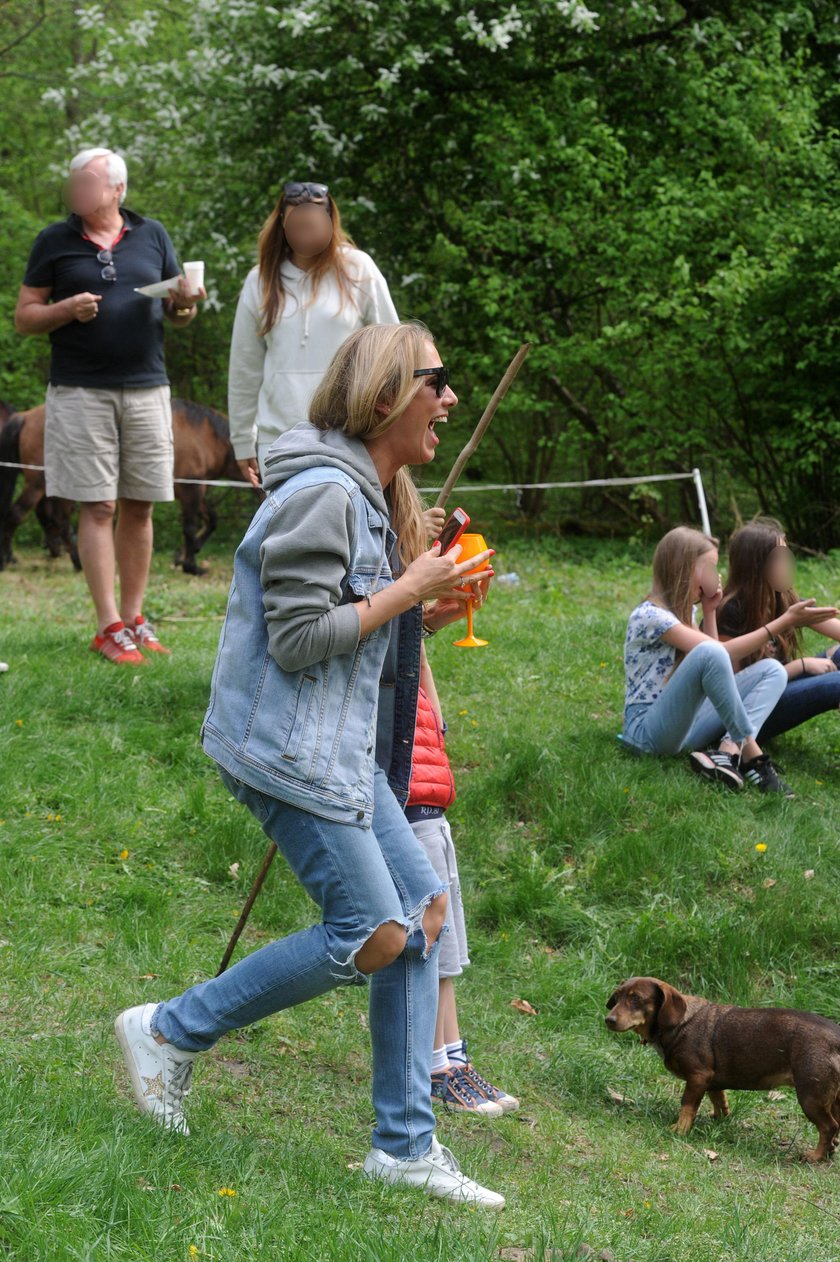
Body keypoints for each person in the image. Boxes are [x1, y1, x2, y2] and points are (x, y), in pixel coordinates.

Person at [114, 322, 505, 1209]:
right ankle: (170, 1031)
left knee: (423, 910)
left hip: (335, 745)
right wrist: (405, 590)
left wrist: (420, 603)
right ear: (384, 397)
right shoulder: (325, 494)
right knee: (372, 933)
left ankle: (404, 1148)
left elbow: (350, 627)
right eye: (434, 382)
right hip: (287, 748)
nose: (448, 399)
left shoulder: (365, 495)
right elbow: (295, 643)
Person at [14, 147, 206, 665]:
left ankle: (135, 617)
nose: (75, 190)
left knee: (141, 502)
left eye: (86, 181)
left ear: (117, 190)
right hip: (79, 391)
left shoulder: (152, 235)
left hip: (147, 388)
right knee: (98, 504)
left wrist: (185, 302)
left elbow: (178, 314)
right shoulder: (54, 240)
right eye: (74, 181)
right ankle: (107, 626)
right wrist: (64, 309)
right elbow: (25, 317)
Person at [621, 526, 836, 795]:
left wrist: (709, 612)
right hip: (647, 733)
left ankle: (728, 752)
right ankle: (751, 755)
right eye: (709, 567)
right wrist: (784, 625)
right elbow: (716, 653)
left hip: (685, 728)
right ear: (685, 568)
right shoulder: (651, 616)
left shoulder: (687, 612)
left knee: (772, 670)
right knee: (712, 653)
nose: (716, 576)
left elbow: (716, 665)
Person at [228, 180, 398, 486]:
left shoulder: (358, 269)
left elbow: (394, 350)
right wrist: (242, 440)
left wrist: (393, 424)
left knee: (351, 528)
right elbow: (244, 369)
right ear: (282, 223)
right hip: (279, 439)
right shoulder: (260, 280)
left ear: (330, 221)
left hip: (350, 434)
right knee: (290, 530)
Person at [409, 647, 519, 1117]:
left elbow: (422, 666)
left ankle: (453, 1056)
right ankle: (436, 1065)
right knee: (429, 939)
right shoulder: (378, 591)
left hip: (430, 794)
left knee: (445, 942)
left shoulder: (406, 607)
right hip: (407, 796)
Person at [717, 517, 840, 742]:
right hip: (752, 710)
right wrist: (800, 665)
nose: (786, 565)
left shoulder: (781, 597)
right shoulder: (730, 610)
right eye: (779, 558)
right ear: (756, 565)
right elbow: (732, 689)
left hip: (783, 684)